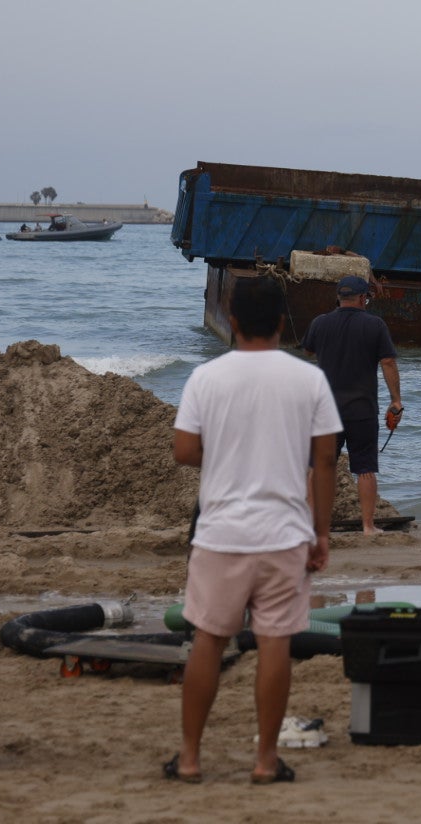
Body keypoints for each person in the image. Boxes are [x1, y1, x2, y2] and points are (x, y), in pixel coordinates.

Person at [167, 275, 341, 784]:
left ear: (234, 320)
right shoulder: (308, 380)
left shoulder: (206, 378)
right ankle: (265, 761)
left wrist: (223, 453)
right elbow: (326, 459)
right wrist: (321, 532)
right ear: (284, 324)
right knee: (274, 644)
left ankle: (190, 759)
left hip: (221, 532)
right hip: (285, 533)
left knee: (208, 640)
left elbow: (182, 451)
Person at [302, 274, 402, 536]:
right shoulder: (375, 325)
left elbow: (308, 351)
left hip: (325, 411)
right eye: (366, 297)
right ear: (361, 298)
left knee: (318, 467)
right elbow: (388, 362)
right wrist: (396, 400)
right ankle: (368, 526)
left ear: (339, 297)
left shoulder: (320, 323)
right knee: (365, 469)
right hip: (361, 409)